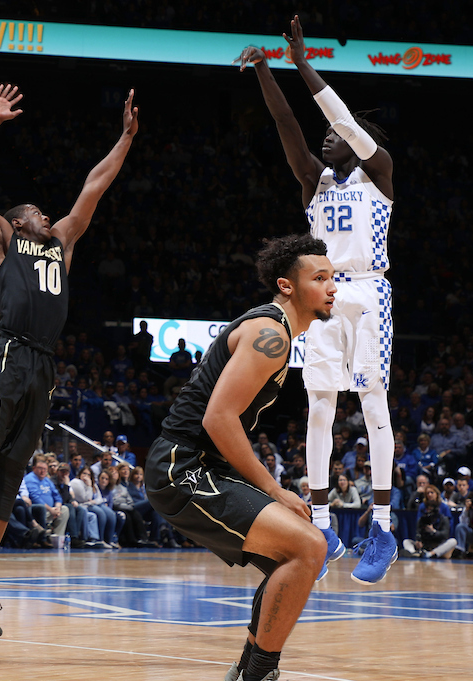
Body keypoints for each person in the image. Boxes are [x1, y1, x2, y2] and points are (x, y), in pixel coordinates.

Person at [0, 83, 138, 637]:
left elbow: (94, 186)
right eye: (37, 212)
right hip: (8, 353)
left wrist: (123, 139)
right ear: (19, 221)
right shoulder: (1, 238)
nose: (48, 215)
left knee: (14, 469)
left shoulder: (63, 242)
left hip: (44, 364)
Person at [238, 16, 398, 585]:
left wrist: (302, 62)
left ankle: (382, 525)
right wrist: (264, 70)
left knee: (374, 403)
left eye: (334, 135)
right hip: (321, 293)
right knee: (321, 406)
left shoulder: (378, 174)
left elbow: (343, 121)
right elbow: (286, 123)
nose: (325, 138)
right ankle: (324, 523)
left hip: (368, 289)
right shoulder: (314, 181)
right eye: (324, 137)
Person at [145, 234, 333, 681]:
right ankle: (259, 673)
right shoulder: (270, 334)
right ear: (287, 286)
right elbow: (218, 418)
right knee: (308, 547)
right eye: (320, 278)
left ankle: (250, 667)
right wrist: (274, 489)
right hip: (181, 466)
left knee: (294, 558)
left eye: (333, 278)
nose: (332, 287)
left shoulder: (277, 333)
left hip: (202, 464)